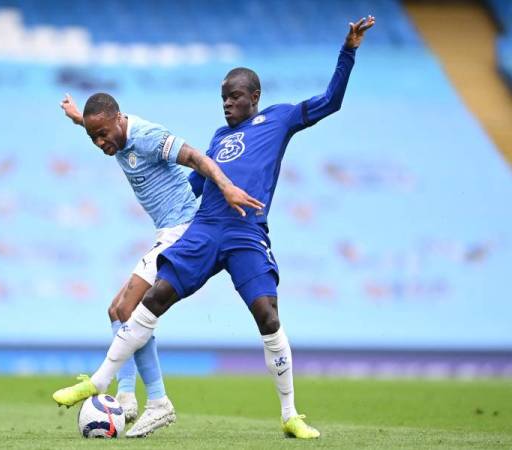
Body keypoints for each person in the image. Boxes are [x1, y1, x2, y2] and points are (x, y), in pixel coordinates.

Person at [54, 15, 375, 439]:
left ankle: (289, 414)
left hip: (246, 232)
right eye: (223, 97)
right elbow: (194, 184)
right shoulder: (219, 139)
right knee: (154, 298)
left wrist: (348, 50)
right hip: (204, 228)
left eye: (235, 97)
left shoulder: (278, 120)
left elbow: (330, 101)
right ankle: (104, 384)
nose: (227, 104)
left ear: (254, 97)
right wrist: (171, 208)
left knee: (267, 314)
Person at [52, 92, 263, 437]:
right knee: (116, 311)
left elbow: (195, 156)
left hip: (183, 230)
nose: (100, 142)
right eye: (93, 137)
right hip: (167, 231)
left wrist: (226, 187)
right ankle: (127, 397)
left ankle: (156, 401)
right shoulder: (112, 133)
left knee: (127, 307)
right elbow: (97, 125)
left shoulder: (146, 137)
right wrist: (78, 117)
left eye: (103, 133)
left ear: (118, 118)